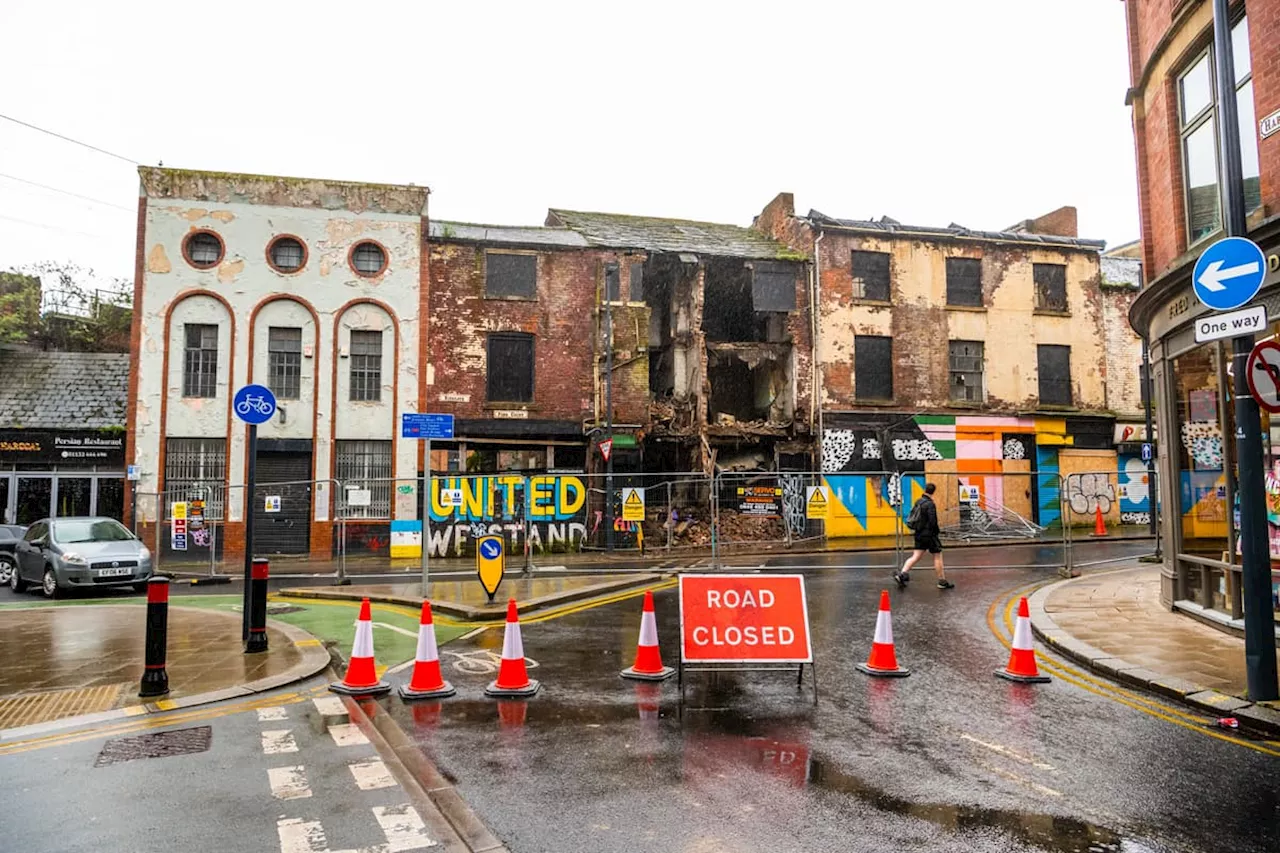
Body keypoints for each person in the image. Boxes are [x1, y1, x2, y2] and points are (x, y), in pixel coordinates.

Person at [894, 483, 953, 590]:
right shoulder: (930, 504)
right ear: (933, 492)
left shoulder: (918, 502)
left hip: (919, 533)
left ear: (925, 490)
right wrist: (936, 532)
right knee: (937, 555)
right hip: (929, 534)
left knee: (916, 556)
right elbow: (932, 521)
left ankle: (902, 574)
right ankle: (942, 581)